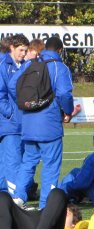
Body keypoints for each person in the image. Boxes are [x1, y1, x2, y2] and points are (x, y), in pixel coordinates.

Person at [9, 36, 73, 209]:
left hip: (29, 123)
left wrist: (27, 104)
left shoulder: (30, 63)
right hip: (49, 125)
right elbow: (64, 94)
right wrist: (67, 111)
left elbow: (13, 84)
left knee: (28, 162)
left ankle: (18, 198)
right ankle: (46, 205)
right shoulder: (60, 67)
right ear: (60, 50)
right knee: (51, 165)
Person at [0, 34, 28, 196]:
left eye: (25, 50)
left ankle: (5, 200)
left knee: (7, 163)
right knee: (13, 163)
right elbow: (0, 94)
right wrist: (10, 114)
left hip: (22, 123)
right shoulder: (4, 65)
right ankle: (15, 200)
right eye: (20, 50)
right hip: (10, 124)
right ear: (12, 47)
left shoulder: (24, 65)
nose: (23, 53)